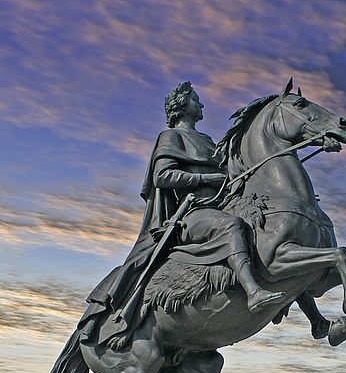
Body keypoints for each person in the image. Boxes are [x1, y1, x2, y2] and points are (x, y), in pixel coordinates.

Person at [79, 82, 284, 347]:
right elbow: (162, 176)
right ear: (181, 106)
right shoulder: (171, 136)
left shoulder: (209, 141)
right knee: (232, 226)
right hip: (193, 213)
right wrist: (205, 177)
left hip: (219, 204)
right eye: (196, 99)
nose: (202, 104)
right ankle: (253, 291)